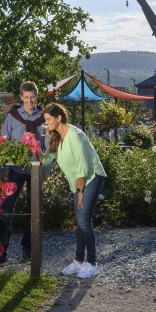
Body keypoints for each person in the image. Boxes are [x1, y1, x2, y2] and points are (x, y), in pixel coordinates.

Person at [39, 103, 106, 279]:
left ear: (58, 118)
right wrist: (32, 149)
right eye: (45, 120)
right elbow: (46, 159)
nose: (46, 123)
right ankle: (78, 261)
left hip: (91, 178)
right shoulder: (56, 137)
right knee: (80, 221)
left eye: (48, 120)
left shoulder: (74, 135)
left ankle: (92, 263)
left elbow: (83, 166)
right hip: (79, 182)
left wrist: (80, 191)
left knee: (83, 219)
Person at [0, 81, 46, 267]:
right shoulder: (12, 117)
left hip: (36, 169)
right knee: (5, 211)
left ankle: (29, 252)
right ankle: (0, 255)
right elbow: (3, 143)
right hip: (15, 170)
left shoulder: (45, 117)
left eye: (32, 97)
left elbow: (50, 145)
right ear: (21, 97)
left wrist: (46, 169)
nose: (29, 101)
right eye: (26, 98)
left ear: (37, 96)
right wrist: (3, 167)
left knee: (33, 212)